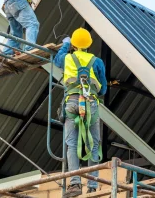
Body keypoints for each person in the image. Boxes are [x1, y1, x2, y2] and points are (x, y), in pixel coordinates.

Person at [54, 27, 107, 197]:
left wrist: (65, 45)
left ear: (74, 45)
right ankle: (92, 185)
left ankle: (75, 185)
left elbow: (57, 60)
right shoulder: (96, 61)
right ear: (89, 44)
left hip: (72, 103)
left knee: (72, 144)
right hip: (90, 103)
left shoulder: (67, 58)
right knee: (93, 144)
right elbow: (103, 88)